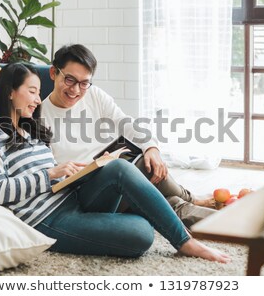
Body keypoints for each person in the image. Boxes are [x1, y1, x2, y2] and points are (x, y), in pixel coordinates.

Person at [0, 63, 230, 263]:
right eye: (32, 92)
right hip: (46, 219)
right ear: (10, 92)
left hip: (71, 199)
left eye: (39, 93)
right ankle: (175, 213)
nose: (38, 99)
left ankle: (184, 241)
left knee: (119, 166)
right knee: (143, 235)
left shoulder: (33, 129)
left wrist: (75, 174)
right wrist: (50, 174)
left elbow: (54, 178)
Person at [40, 44, 216, 230]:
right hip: (85, 193)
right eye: (69, 80)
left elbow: (125, 123)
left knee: (161, 188)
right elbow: (49, 174)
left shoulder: (94, 95)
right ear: (53, 73)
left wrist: (151, 147)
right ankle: (192, 198)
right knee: (140, 171)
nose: (76, 90)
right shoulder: (39, 117)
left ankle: (232, 222)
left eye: (84, 83)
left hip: (116, 175)